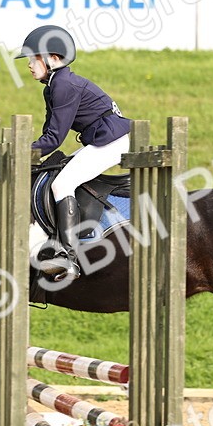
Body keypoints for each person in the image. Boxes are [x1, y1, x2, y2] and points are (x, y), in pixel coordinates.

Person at [15, 25, 131, 281]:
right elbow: (49, 134)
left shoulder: (63, 85)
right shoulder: (54, 85)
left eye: (34, 59)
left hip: (113, 141)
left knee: (61, 184)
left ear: (53, 58)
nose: (29, 66)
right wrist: (29, 153)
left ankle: (68, 257)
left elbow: (54, 138)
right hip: (104, 139)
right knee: (57, 173)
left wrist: (19, 154)